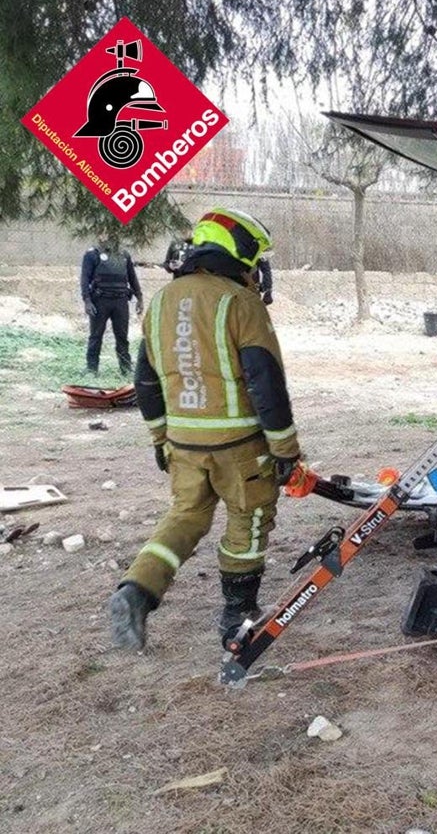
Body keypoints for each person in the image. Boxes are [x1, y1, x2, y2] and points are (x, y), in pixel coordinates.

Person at [109, 208, 302, 651]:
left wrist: (160, 438)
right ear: (240, 250)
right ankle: (238, 614)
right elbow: (265, 381)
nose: (257, 269)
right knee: (248, 522)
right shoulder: (240, 302)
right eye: (255, 258)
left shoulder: (160, 302)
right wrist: (286, 449)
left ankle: (136, 591)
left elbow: (145, 381)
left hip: (183, 443)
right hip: (239, 448)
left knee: (185, 517)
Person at [81, 239, 142, 375]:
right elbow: (84, 279)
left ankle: (125, 368)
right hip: (100, 301)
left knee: (122, 337)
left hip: (120, 301)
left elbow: (132, 277)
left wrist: (140, 298)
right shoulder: (92, 254)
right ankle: (92, 368)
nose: (107, 236)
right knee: (96, 336)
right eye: (103, 232)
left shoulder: (124, 255)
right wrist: (87, 301)